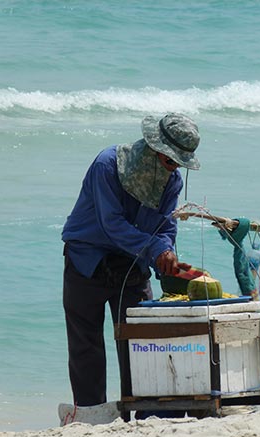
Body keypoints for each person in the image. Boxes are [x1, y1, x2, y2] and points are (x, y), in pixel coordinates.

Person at [61, 113, 200, 410]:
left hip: (133, 264)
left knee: (140, 343)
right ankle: (91, 411)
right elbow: (111, 223)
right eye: (170, 161)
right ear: (154, 149)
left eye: (178, 164)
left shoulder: (171, 181)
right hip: (88, 260)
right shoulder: (107, 165)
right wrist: (155, 250)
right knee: (87, 346)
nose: (174, 169)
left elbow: (165, 226)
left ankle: (143, 409)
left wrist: (167, 252)